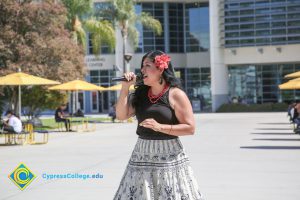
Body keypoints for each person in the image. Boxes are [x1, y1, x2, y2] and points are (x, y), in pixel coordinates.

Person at [114, 50, 204, 200]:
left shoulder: (176, 94)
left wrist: (160, 127)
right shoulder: (140, 94)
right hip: (141, 155)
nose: (142, 71)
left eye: (147, 66)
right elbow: (121, 115)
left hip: (169, 156)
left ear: (161, 69)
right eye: (142, 66)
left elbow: (190, 128)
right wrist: (125, 88)